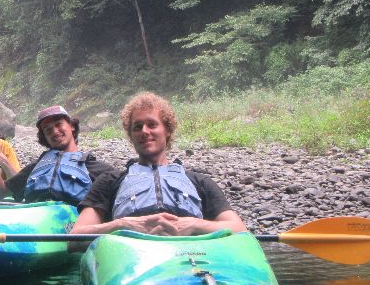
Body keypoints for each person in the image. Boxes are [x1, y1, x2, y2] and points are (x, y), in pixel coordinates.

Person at [71, 92, 247, 236]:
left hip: (191, 252)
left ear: (167, 130)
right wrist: (121, 225)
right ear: (131, 136)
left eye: (152, 124)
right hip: (131, 254)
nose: (144, 131)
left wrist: (195, 225)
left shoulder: (200, 182)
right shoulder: (110, 181)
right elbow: (76, 236)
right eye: (137, 127)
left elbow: (239, 229)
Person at [0, 104, 115, 206]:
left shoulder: (95, 168)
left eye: (59, 124)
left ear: (72, 126)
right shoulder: (36, 168)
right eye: (47, 129)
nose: (54, 131)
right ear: (45, 137)